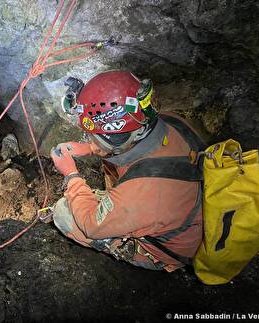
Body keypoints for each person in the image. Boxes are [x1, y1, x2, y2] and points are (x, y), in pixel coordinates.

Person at [50, 71, 203, 271]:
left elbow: (91, 225)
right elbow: (126, 146)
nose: (89, 139)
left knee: (64, 213)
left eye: (91, 135)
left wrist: (71, 174)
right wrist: (91, 148)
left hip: (170, 248)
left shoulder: (143, 191)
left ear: (110, 136)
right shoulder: (171, 121)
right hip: (184, 211)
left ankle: (141, 255)